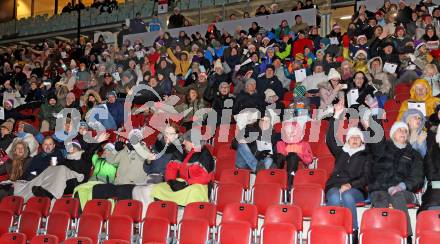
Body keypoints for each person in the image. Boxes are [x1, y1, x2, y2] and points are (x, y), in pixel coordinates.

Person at [368, 122, 424, 243]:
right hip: (381, 189)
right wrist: (387, 187)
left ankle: (406, 236)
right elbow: (374, 174)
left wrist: (401, 186)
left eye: (405, 131)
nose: (403, 133)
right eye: (400, 130)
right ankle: (380, 237)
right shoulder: (381, 151)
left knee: (397, 196)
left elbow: (417, 178)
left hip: (405, 191)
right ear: (393, 134)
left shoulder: (414, 155)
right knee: (379, 197)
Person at [325, 102, 371, 241]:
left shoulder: (366, 155)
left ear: (362, 141)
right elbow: (330, 139)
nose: (355, 139)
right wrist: (336, 116)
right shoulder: (341, 152)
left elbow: (366, 177)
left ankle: (353, 231)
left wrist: (350, 185)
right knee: (333, 196)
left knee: (347, 196)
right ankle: (335, 231)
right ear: (348, 140)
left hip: (356, 188)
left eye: (358, 137)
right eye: (352, 137)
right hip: (335, 185)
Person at [151, 128, 214, 206]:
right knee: (159, 188)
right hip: (181, 182)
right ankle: (168, 209)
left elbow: (204, 178)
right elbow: (171, 167)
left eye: (186, 140)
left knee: (193, 193)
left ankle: (187, 211)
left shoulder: (205, 155)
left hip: (198, 185)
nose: (183, 142)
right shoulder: (180, 151)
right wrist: (171, 181)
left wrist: (186, 183)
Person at [275, 121, 313, 189]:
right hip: (284, 165)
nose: (290, 133)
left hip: (299, 165)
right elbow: (280, 159)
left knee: (293, 155)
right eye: (288, 131)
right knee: (281, 156)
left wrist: (297, 153)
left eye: (293, 130)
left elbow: (309, 160)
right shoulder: (280, 143)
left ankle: (289, 185)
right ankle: (279, 180)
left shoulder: (304, 144)